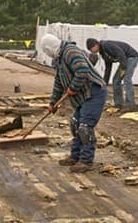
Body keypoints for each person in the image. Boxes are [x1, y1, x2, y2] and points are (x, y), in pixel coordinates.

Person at [41, 34, 107, 173]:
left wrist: (72, 88)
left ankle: (86, 161)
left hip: (93, 93)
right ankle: (75, 156)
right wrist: (53, 103)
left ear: (49, 48)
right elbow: (59, 83)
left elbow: (82, 70)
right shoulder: (59, 59)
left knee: (85, 127)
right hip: (82, 96)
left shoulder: (70, 51)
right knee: (75, 124)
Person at [86, 38, 138, 109]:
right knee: (116, 80)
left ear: (95, 45)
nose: (91, 51)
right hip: (124, 60)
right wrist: (105, 83)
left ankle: (130, 104)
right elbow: (108, 68)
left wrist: (123, 68)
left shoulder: (107, 45)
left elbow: (120, 53)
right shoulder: (103, 53)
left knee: (127, 79)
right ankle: (118, 104)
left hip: (131, 57)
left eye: (91, 49)